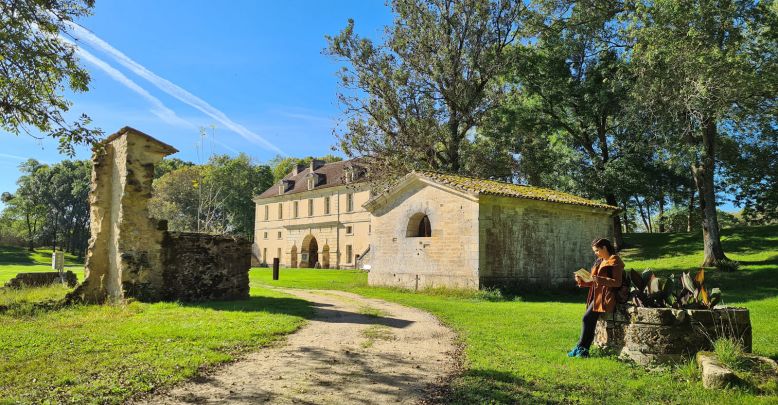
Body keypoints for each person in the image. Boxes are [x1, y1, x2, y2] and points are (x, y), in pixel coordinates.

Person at [568, 238, 625, 358]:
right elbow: (593, 281)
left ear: (604, 248)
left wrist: (598, 279)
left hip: (606, 297)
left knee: (586, 319)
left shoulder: (615, 261)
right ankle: (582, 349)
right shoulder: (599, 261)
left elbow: (617, 282)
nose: (595, 253)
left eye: (597, 250)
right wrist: (582, 281)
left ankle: (582, 349)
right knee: (589, 320)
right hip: (596, 295)